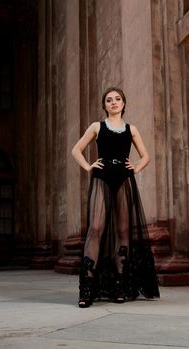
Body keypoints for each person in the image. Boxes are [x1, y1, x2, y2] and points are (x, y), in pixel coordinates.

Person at [72, 87, 160, 308]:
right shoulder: (96, 127)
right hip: (102, 178)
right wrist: (89, 167)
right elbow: (76, 150)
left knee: (123, 231)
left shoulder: (132, 129)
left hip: (123, 180)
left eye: (117, 99)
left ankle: (120, 285)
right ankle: (87, 289)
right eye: (109, 100)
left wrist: (136, 168)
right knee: (95, 228)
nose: (113, 102)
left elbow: (146, 155)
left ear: (123, 103)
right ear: (105, 105)